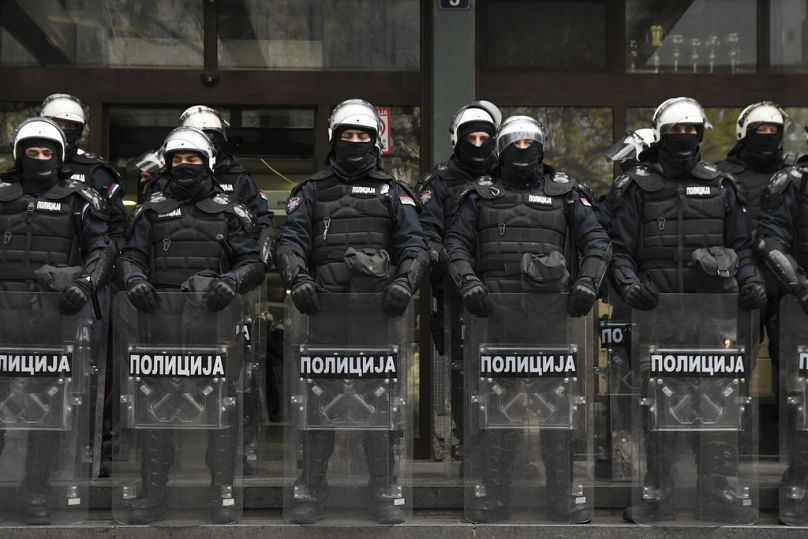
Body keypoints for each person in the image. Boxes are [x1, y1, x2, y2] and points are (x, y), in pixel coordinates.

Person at [445, 115, 611, 523]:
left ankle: (563, 497)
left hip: (553, 320)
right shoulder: (479, 195)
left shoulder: (567, 193)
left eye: (529, 142)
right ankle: (495, 497)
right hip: (494, 320)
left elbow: (598, 242)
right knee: (497, 413)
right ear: (500, 149)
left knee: (559, 413)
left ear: (541, 146)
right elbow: (455, 244)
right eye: (513, 143)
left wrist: (588, 284)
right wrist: (467, 282)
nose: (522, 149)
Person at [610, 97, 766, 523]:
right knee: (657, 404)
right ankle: (657, 486)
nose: (684, 138)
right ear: (661, 134)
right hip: (656, 317)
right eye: (676, 131)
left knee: (717, 403)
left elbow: (742, 246)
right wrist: (628, 283)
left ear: (701, 134)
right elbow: (617, 249)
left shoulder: (721, 186)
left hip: (712, 320)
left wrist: (750, 281)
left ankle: (717, 487)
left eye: (691, 130)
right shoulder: (636, 186)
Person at [276, 98, 428, 524]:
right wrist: (298, 278)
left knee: (379, 408)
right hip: (323, 314)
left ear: (375, 141)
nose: (356, 142)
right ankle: (311, 491)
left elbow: (416, 248)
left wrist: (404, 281)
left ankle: (383, 490)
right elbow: (289, 243)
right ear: (334, 139)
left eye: (363, 135)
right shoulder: (310, 192)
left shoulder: (394, 193)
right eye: (349, 134)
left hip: (377, 317)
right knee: (317, 406)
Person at [117, 126, 265, 524]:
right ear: (167, 163)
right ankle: (152, 493)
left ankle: (221, 492)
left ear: (208, 162)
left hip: (214, 327)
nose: (185, 165)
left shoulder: (232, 211)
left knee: (221, 412)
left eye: (193, 158)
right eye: (177, 159)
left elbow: (253, 262)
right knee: (156, 411)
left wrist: (231, 282)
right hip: (159, 326)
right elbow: (129, 256)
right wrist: (133, 279)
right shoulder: (150, 211)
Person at [0, 117, 115, 524]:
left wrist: (85, 286)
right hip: (2, 317)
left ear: (61, 155)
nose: (40, 158)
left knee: (44, 413)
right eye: (32, 151)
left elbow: (102, 249)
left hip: (52, 321)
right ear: (19, 154)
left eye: (48, 152)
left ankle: (35, 493)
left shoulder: (80, 198)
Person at [416, 100, 501, 464]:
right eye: (472, 138)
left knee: (502, 368)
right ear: (457, 140)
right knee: (462, 370)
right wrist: (453, 266)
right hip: (454, 293)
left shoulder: (507, 175)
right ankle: (467, 443)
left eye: (485, 137)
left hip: (502, 290)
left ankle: (504, 446)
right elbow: (427, 235)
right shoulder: (438, 182)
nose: (478, 144)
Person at [755, 150, 808, 525]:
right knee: (802, 402)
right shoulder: (794, 184)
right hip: (803, 310)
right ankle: (800, 479)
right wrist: (801, 289)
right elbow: (770, 241)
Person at [39, 94, 127, 246]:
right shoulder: (28, 164)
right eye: (58, 125)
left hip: (81, 259)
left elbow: (117, 226)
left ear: (79, 131)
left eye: (71, 127)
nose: (64, 131)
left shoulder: (96, 171)